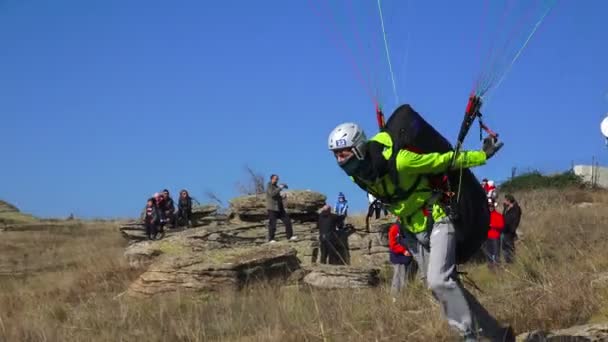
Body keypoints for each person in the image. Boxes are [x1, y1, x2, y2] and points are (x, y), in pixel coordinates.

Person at [327, 108, 513, 341]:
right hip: (412, 233)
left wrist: (481, 155)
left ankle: (469, 335)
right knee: (443, 288)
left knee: (438, 281)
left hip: (437, 220)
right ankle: (496, 335)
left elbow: (445, 161)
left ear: (357, 148)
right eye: (335, 155)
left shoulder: (401, 161)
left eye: (342, 153)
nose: (339, 160)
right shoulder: (359, 175)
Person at [265, 174, 297, 243]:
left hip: (280, 208)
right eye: (275, 179)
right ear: (272, 179)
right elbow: (272, 194)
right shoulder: (269, 185)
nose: (277, 180)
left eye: (277, 179)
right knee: (272, 224)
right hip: (272, 208)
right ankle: (271, 239)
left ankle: (290, 236)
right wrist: (280, 187)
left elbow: (276, 196)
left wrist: (282, 196)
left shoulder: (276, 186)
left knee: (288, 221)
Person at [388, 219, 414, 299]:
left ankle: (402, 297)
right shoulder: (394, 228)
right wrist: (403, 251)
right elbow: (393, 245)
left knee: (404, 277)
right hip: (399, 257)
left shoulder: (406, 226)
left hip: (406, 257)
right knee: (398, 277)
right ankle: (395, 297)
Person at [501, 194, 521, 263]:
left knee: (509, 247)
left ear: (509, 200)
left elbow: (515, 220)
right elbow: (503, 216)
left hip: (509, 230)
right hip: (504, 229)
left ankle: (511, 262)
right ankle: (507, 261)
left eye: (505, 200)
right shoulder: (507, 207)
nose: (504, 201)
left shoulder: (516, 208)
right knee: (504, 247)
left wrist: (512, 229)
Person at [485, 198, 504, 269]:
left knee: (496, 253)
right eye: (489, 206)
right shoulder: (485, 216)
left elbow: (501, 225)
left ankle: (497, 267)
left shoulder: (499, 215)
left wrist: (493, 225)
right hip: (487, 237)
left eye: (491, 206)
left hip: (495, 237)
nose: (490, 208)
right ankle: (490, 267)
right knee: (488, 253)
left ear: (493, 206)